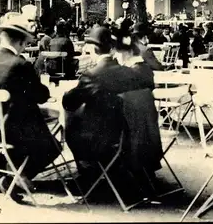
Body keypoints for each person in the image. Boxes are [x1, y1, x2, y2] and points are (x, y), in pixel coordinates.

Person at [0, 14, 60, 200]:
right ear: (22, 42)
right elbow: (41, 96)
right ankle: (15, 177)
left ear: (1, 38)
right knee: (54, 145)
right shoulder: (20, 64)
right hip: (12, 134)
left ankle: (10, 174)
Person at [62, 26, 158, 204]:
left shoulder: (92, 75)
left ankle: (88, 176)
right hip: (131, 136)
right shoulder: (131, 72)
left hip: (103, 140)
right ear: (112, 49)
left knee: (72, 125)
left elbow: (69, 102)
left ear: (91, 50)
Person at [112, 23, 163, 197]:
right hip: (148, 136)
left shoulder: (124, 73)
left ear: (125, 54)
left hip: (128, 134)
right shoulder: (145, 70)